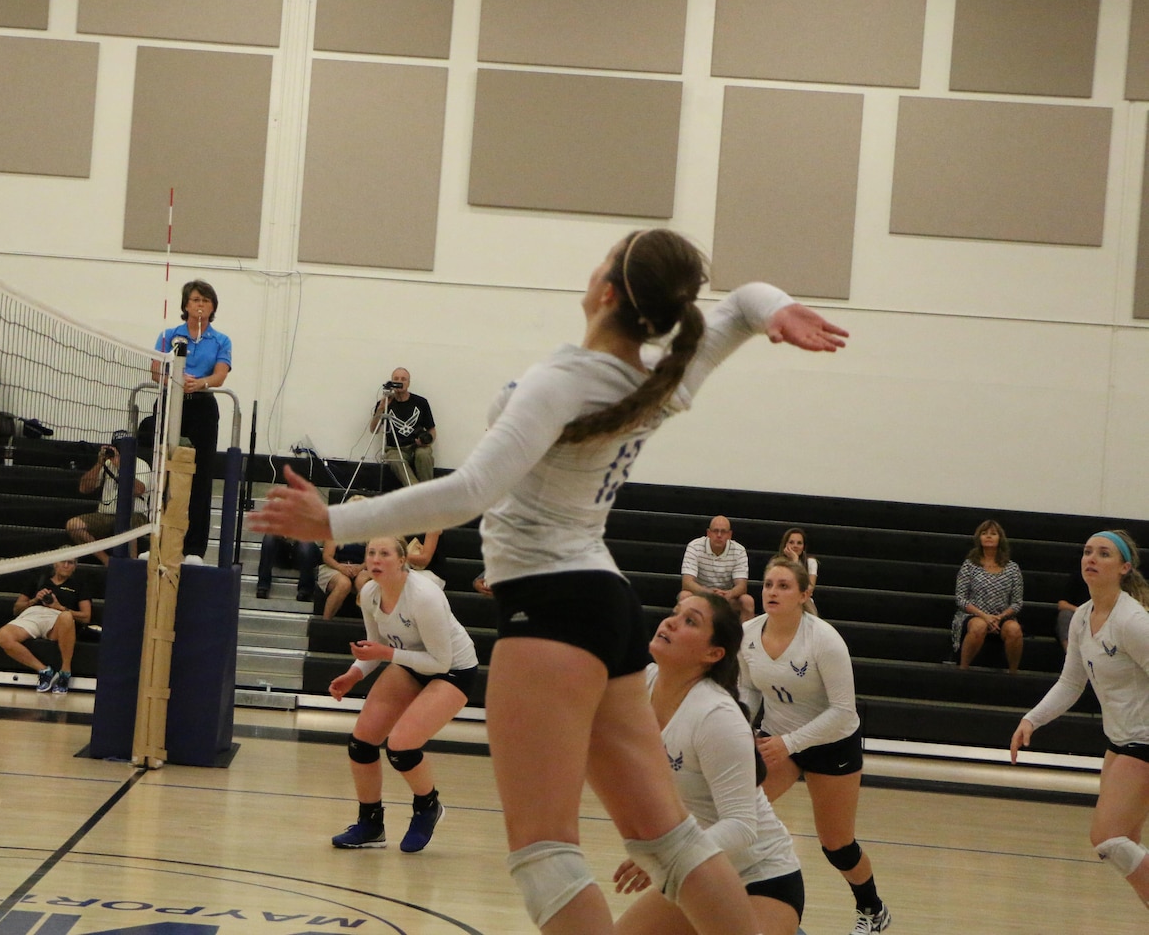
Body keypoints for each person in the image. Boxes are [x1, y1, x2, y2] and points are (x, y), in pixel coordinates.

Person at [249, 227, 847, 934]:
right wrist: (775, 308)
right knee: (668, 839)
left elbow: (468, 491)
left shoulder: (566, 380)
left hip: (555, 608)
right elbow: (744, 303)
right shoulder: (657, 376)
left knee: (545, 853)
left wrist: (334, 523)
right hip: (605, 603)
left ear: (608, 291)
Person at [612, 592, 805, 935]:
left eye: (690, 621)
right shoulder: (643, 683)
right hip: (697, 873)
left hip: (762, 878)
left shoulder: (716, 716)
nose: (670, 621)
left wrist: (671, 854)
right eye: (675, 613)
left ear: (713, 654)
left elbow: (741, 826)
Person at [740, 556, 891, 935]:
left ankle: (873, 910)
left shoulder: (824, 640)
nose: (772, 592)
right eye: (768, 584)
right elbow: (747, 690)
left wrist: (790, 743)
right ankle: (760, 911)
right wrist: (742, 726)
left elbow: (843, 712)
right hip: (777, 739)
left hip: (831, 744)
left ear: (805, 594)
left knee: (837, 844)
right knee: (739, 816)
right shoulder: (748, 635)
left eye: (783, 586)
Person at [1012, 530, 1149, 914]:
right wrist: (1032, 720)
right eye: (1088, 551)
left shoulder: (1133, 622)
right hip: (1119, 742)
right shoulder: (1081, 617)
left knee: (1107, 839)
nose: (1091, 558)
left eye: (1104, 553)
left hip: (1144, 742)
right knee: (1128, 851)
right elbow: (1071, 682)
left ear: (1124, 568)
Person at [327, 537, 480, 853]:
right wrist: (354, 674)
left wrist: (386, 653)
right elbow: (374, 647)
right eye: (371, 553)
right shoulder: (370, 593)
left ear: (401, 561)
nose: (375, 559)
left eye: (384, 553)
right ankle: (370, 824)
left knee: (401, 746)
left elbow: (440, 661)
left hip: (452, 669)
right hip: (409, 662)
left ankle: (428, 806)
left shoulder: (424, 596)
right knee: (362, 743)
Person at [153, 279, 230, 563]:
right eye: (196, 300)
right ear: (186, 305)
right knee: (162, 470)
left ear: (212, 307)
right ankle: (157, 539)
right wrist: (175, 380)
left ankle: (194, 549)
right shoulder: (169, 335)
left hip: (202, 406)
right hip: (171, 401)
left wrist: (200, 383)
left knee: (201, 477)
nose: (200, 305)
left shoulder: (221, 340)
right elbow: (155, 371)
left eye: (205, 301)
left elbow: (220, 376)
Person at [0, 559, 92, 694]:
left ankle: (65, 672)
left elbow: (86, 616)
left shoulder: (79, 585)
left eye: (70, 563)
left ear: (75, 567)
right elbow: (16, 609)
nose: (65, 565)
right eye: (63, 561)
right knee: (2, 636)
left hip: (58, 618)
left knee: (66, 617)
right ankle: (44, 671)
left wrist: (59, 607)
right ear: (55, 563)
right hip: (33, 614)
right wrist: (34, 600)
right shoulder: (38, 579)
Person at [952, 519, 1024, 673]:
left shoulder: (1012, 568)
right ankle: (963, 669)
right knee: (979, 626)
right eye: (984, 533)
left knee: (1015, 630)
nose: (989, 536)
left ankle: (1013, 674)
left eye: (993, 533)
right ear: (979, 538)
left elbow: (1017, 602)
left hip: (1002, 617)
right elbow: (960, 598)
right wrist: (984, 616)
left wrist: (999, 617)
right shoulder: (969, 565)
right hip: (973, 614)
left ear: (1000, 538)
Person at [66, 442, 149, 563]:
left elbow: (138, 490)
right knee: (73, 525)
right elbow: (84, 488)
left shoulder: (140, 464)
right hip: (105, 515)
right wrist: (99, 463)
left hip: (134, 514)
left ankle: (132, 564)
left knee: (129, 524)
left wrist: (121, 466)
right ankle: (106, 560)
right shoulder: (106, 464)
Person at [371, 367, 436, 488]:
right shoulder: (385, 403)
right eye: (396, 379)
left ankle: (428, 490)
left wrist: (426, 441)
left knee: (424, 455)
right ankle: (416, 491)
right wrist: (380, 409)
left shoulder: (421, 402)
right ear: (391, 382)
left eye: (403, 379)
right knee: (395, 460)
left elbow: (432, 430)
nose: (400, 382)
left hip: (418, 445)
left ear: (409, 383)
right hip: (395, 448)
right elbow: (373, 429)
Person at [680, 516, 755, 620]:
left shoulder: (739, 550)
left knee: (747, 601)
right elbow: (687, 583)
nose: (719, 535)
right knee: (684, 596)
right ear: (708, 533)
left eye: (723, 532)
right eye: (715, 531)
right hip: (701, 594)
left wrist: (729, 594)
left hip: (727, 597)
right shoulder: (694, 546)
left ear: (729, 535)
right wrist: (708, 593)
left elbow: (742, 586)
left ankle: (745, 636)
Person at [256, 533, 319, 601]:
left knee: (306, 544)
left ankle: (305, 590)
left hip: (303, 551)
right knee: (269, 536)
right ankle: (262, 586)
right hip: (283, 552)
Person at [777, 528, 818, 615]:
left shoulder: (811, 562)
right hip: (782, 597)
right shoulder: (777, 562)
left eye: (799, 543)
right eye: (791, 542)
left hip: (803, 600)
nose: (795, 546)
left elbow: (809, 589)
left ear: (803, 547)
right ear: (785, 544)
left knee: (803, 599)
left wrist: (795, 561)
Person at [1056, 565, 1089, 651]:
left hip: (1101, 616)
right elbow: (1062, 604)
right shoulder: (1078, 576)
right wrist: (1081, 611)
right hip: (1079, 615)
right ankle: (1069, 655)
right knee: (1065, 615)